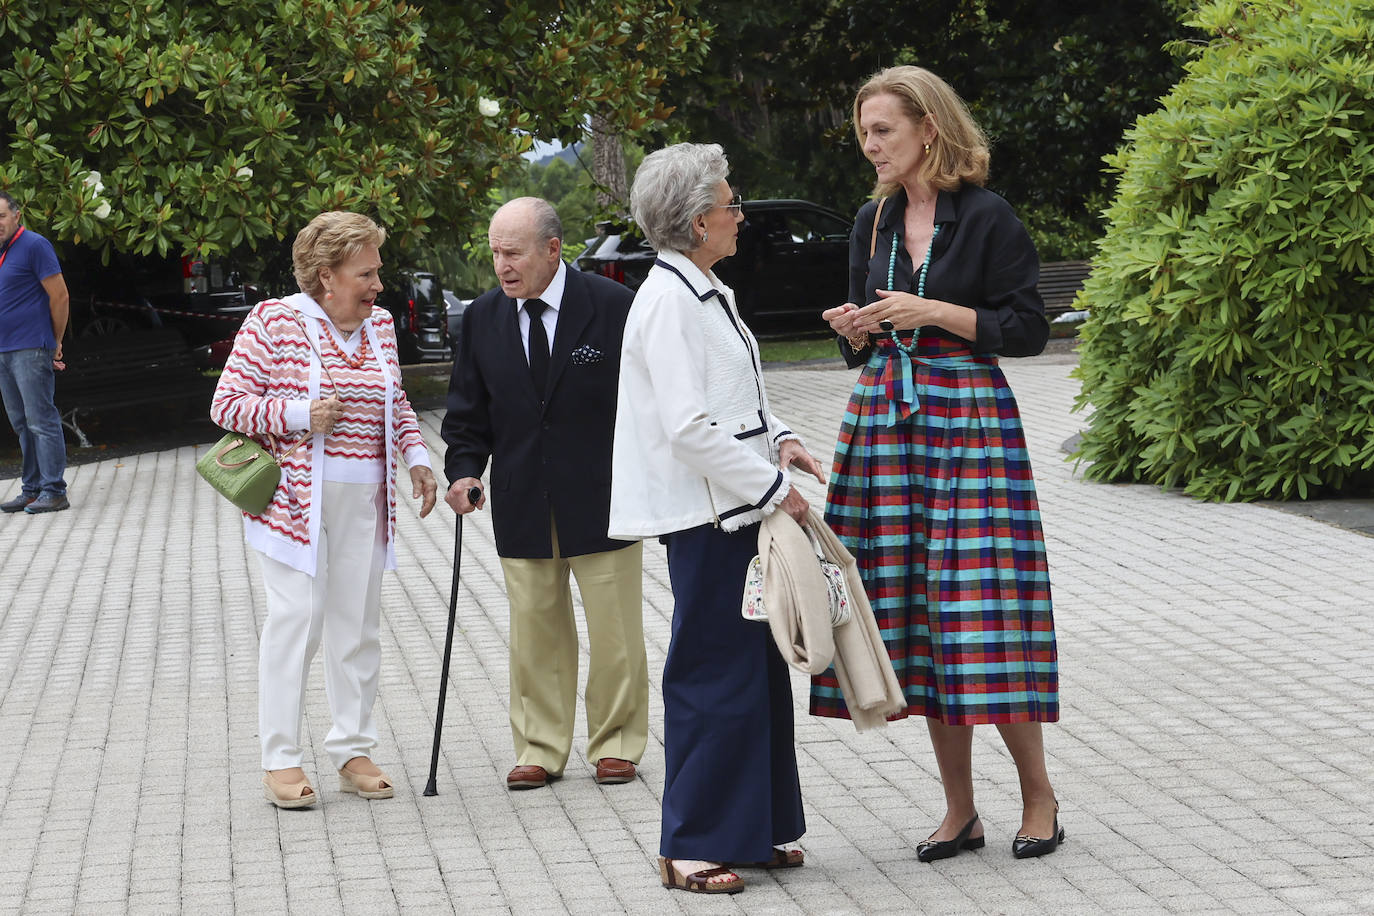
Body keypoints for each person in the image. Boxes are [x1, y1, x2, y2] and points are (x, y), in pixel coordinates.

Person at [811, 65, 1063, 860]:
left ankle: (1039, 798)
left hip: (971, 425)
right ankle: (960, 810)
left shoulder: (987, 217)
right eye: (864, 132)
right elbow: (863, 346)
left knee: (985, 609)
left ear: (929, 128)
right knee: (919, 613)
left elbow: (1026, 329)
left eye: (883, 130)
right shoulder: (872, 222)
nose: (870, 145)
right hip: (888, 422)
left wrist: (936, 312)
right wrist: (855, 330)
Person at [609, 142, 828, 895]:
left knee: (757, 673)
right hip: (710, 518)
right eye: (731, 205)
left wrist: (783, 439)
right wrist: (774, 490)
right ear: (699, 221)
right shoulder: (668, 301)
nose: (741, 215)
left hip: (737, 507)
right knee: (710, 674)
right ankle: (691, 842)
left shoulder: (707, 288)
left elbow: (739, 400)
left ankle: (757, 828)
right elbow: (686, 427)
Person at [210, 211, 438, 809]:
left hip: (366, 497)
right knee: (298, 619)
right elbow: (226, 405)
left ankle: (352, 748)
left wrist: (416, 456)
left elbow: (398, 402)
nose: (378, 284)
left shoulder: (381, 326)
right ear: (325, 275)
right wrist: (297, 414)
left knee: (357, 626)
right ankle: (280, 758)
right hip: (292, 503)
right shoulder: (274, 321)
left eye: (377, 271)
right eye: (366, 273)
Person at [441, 197, 648, 792]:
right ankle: (540, 746)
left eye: (513, 253)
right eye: (495, 253)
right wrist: (462, 471)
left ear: (552, 250)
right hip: (521, 498)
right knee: (535, 633)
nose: (502, 265)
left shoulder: (611, 307)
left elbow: (645, 402)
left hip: (603, 497)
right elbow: (466, 415)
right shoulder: (482, 317)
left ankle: (616, 743)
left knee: (616, 633)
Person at [0, 191, 71, 514]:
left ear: (17, 215)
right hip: (4, 351)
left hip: (31, 347)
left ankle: (54, 491)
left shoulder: (35, 245)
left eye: (1, 216)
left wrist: (55, 341)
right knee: (21, 424)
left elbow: (60, 296)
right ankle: (31, 489)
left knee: (41, 420)